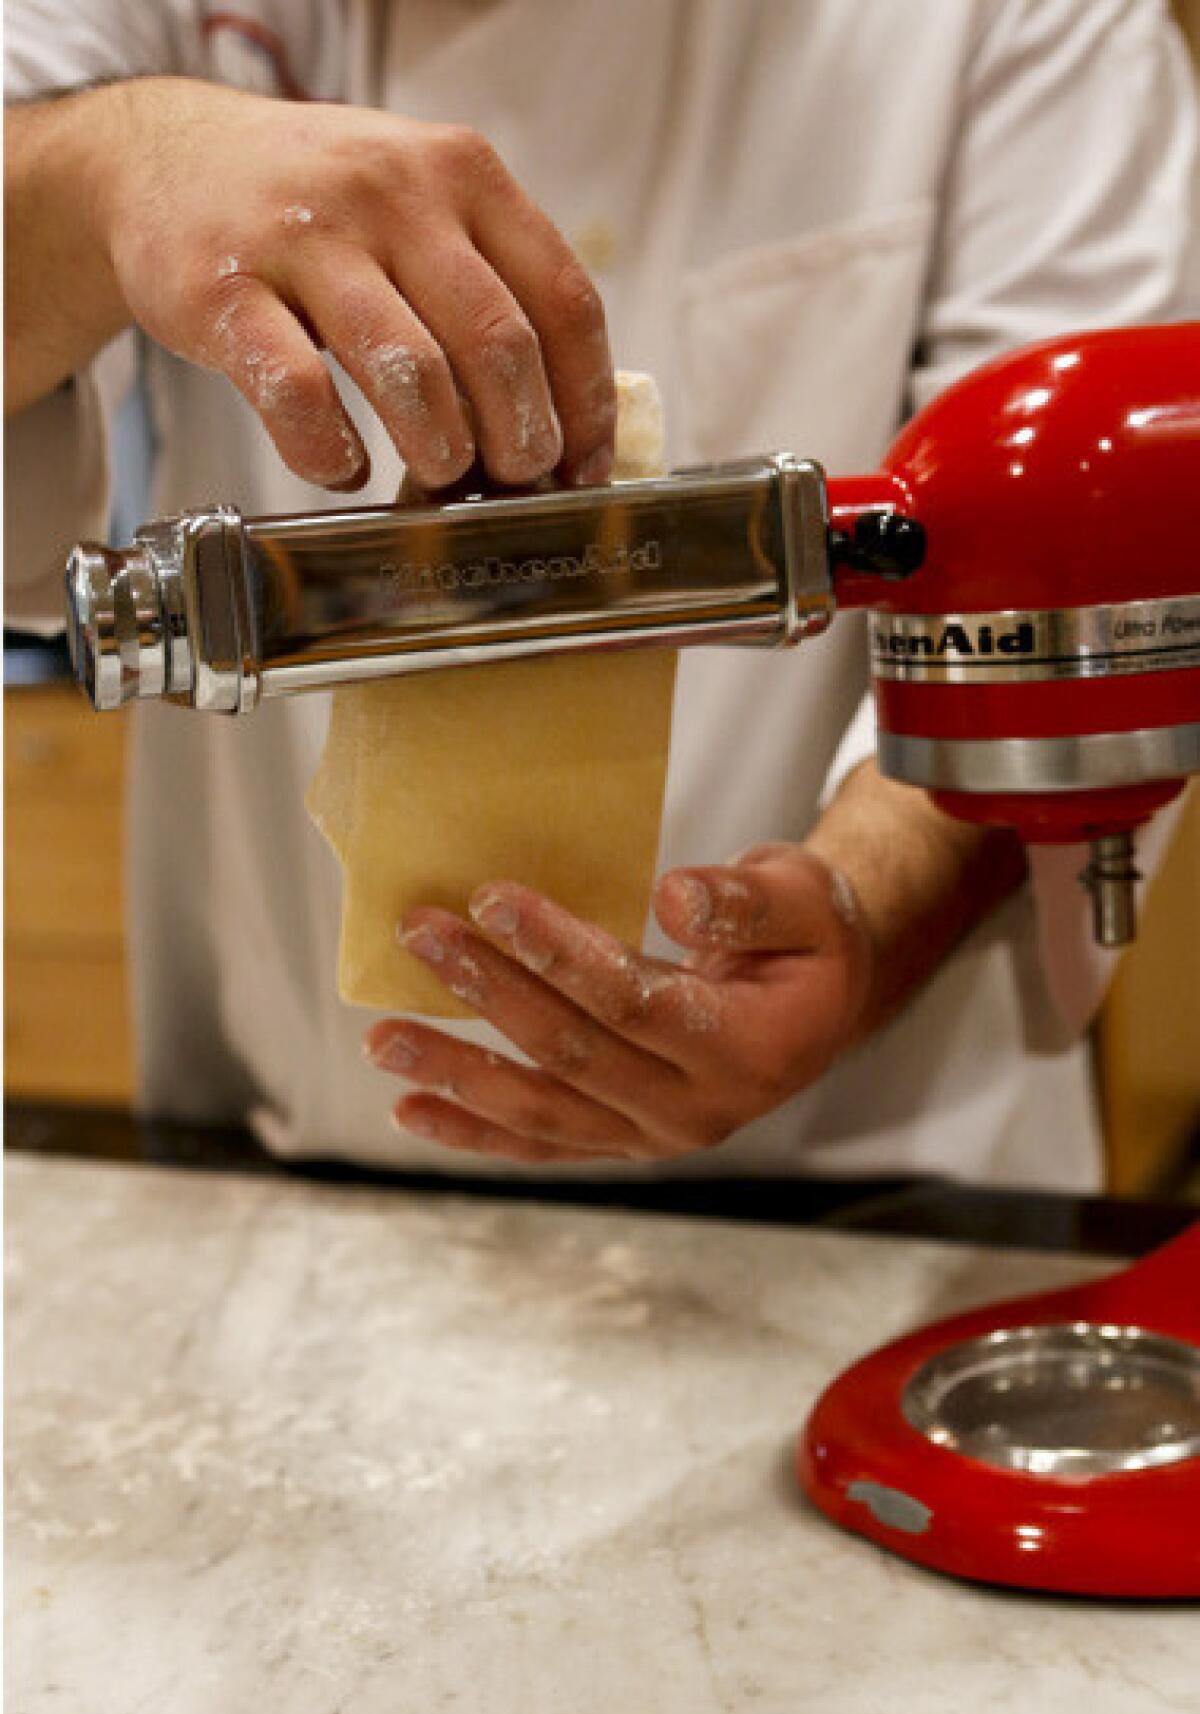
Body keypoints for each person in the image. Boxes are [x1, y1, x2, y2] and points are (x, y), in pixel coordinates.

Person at [5, 0, 1196, 1185]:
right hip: (299, 1150)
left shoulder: (1028, 23)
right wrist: (114, 169)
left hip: (873, 1174)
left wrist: (865, 912)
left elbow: (1067, 596)